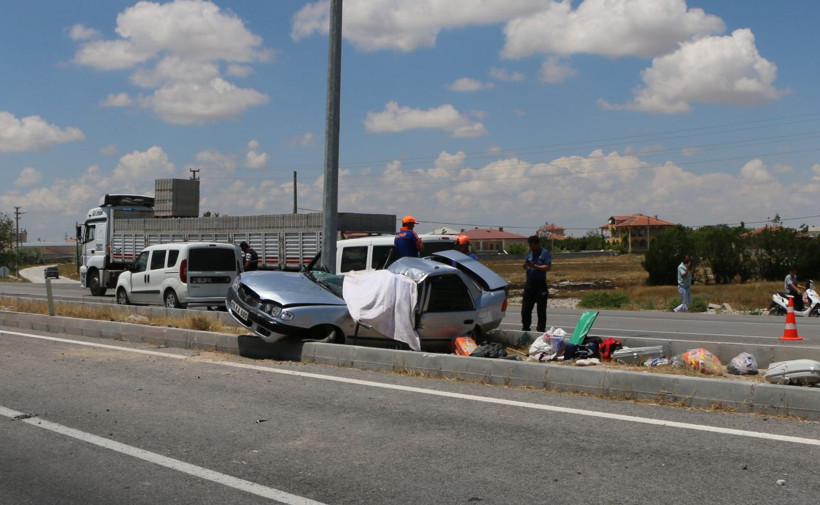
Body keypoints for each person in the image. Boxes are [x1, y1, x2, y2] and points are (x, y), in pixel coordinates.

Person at [521, 235, 551, 332]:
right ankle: (526, 328)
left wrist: (535, 266)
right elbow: (525, 265)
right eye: (530, 246)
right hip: (530, 284)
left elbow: (548, 267)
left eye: (533, 246)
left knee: (541, 310)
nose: (531, 248)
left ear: (538, 244)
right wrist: (525, 265)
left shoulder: (544, 253)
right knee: (525, 309)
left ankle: (541, 329)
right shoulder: (530, 253)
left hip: (540, 284)